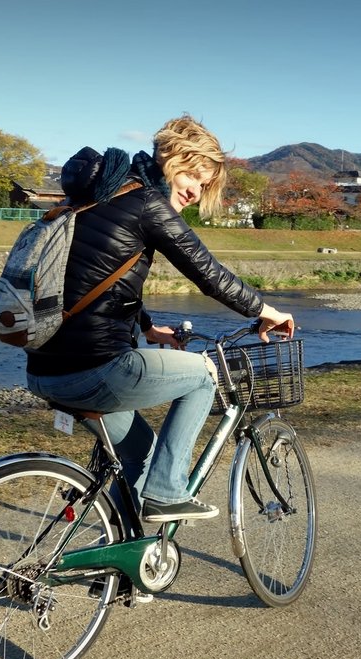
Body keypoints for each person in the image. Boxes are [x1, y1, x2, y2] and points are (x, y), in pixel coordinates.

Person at [24, 116, 295, 523]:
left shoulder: (107, 195)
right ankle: (167, 494)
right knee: (204, 375)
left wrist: (149, 328)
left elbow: (98, 282)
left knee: (139, 452)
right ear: (173, 160)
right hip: (93, 369)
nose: (195, 192)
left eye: (203, 185)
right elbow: (209, 273)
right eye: (194, 177)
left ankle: (121, 557)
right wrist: (267, 311)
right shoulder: (147, 202)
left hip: (43, 370)